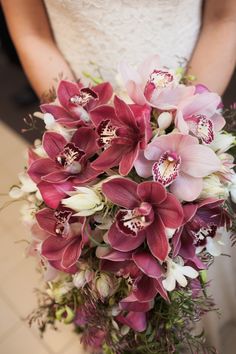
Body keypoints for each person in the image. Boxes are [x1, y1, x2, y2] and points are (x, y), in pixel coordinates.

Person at [2, 1, 236, 353]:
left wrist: (181, 123)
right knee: (109, 297)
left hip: (184, 123)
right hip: (86, 137)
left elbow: (226, 18)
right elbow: (32, 33)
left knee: (198, 286)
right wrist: (85, 132)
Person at [1, 0, 236, 100]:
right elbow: (32, 33)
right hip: (76, 102)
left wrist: (190, 117)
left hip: (196, 82)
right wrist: (74, 120)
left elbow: (224, 18)